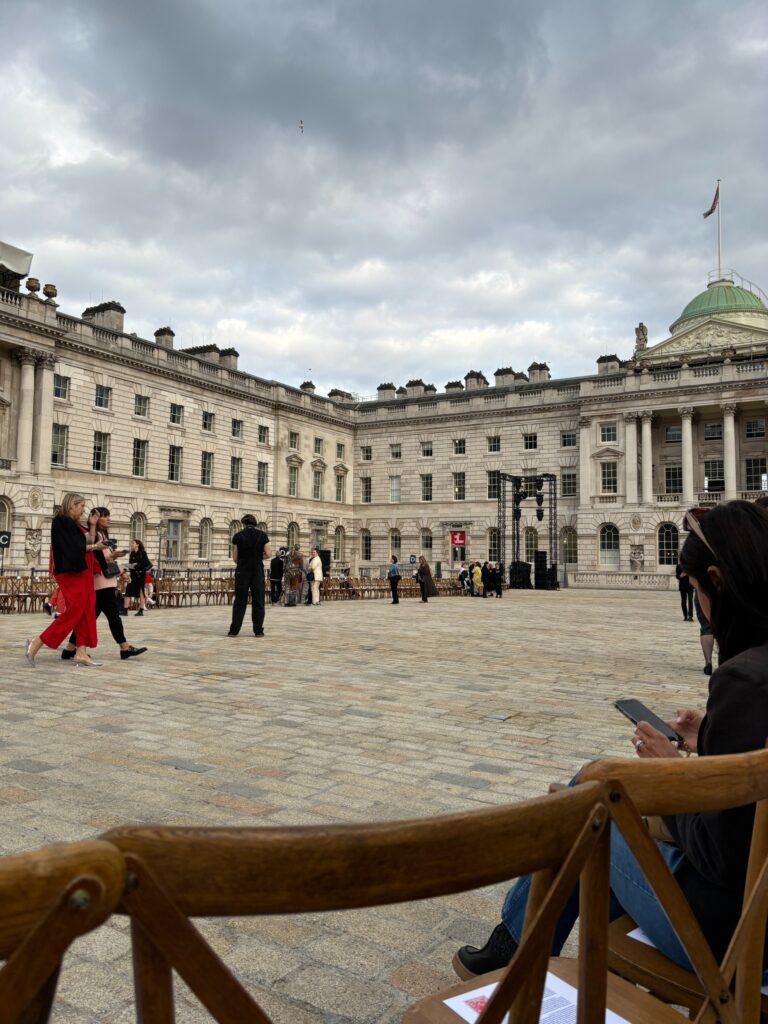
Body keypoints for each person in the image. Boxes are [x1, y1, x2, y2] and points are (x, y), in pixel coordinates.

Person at [454, 500, 768, 980]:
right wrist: (707, 735)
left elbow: (724, 856)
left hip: (737, 935)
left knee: (589, 811)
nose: (700, 603)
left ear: (718, 581)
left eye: (696, 589)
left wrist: (670, 774)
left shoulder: (745, 680)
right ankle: (539, 957)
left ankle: (518, 953)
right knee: (594, 790)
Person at [25, 493, 103, 667]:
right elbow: (73, 548)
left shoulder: (74, 525)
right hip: (71, 573)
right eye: (81, 506)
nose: (84, 510)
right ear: (71, 506)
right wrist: (95, 546)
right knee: (75, 610)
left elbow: (87, 542)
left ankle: (81, 652)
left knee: (86, 609)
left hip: (81, 572)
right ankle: (37, 642)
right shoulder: (61, 522)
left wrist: (92, 525)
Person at [61, 508, 147, 662]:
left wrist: (117, 562)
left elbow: (105, 557)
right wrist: (112, 554)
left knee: (89, 617)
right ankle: (124, 647)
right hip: (100, 582)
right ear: (95, 519)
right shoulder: (91, 535)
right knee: (113, 616)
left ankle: (69, 649)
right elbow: (92, 554)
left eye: (108, 516)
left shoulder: (103, 535)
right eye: (105, 517)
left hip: (106, 580)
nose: (108, 519)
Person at [227, 514, 270, 636]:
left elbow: (235, 557)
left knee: (240, 601)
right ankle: (258, 631)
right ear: (255, 523)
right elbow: (268, 553)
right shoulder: (263, 535)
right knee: (258, 601)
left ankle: (234, 630)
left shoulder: (238, 536)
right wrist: (257, 556)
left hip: (243, 570)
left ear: (244, 524)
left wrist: (244, 558)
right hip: (257, 570)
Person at [123, 539, 151, 616]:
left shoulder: (142, 553)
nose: (131, 544)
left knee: (141, 591)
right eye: (131, 543)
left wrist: (137, 564)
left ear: (137, 544)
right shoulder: (132, 553)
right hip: (133, 574)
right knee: (128, 591)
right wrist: (130, 567)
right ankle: (125, 610)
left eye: (133, 543)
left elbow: (146, 563)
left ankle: (141, 610)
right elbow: (130, 564)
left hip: (141, 574)